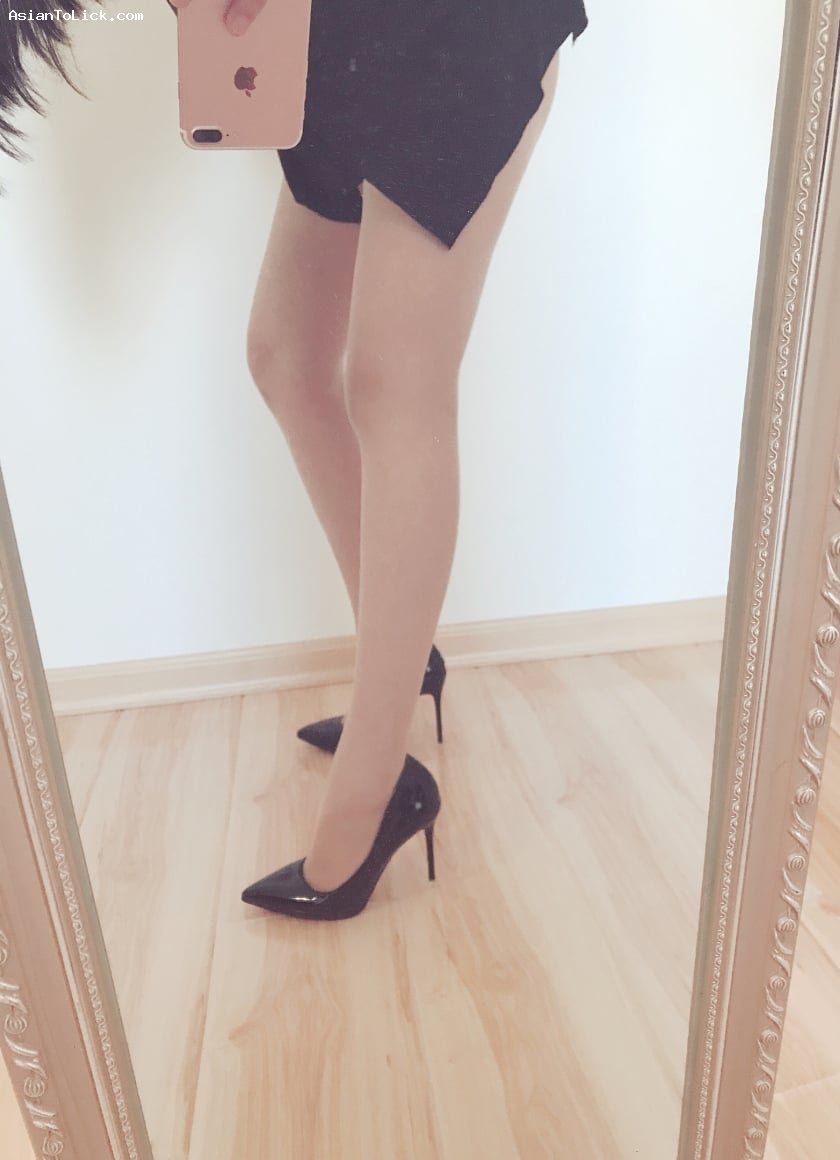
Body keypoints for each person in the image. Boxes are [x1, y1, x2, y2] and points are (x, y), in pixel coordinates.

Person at [2, 0, 588, 921]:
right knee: (284, 353)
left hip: (455, 29)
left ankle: (376, 792)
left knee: (395, 384)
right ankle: (402, 666)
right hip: (337, 38)